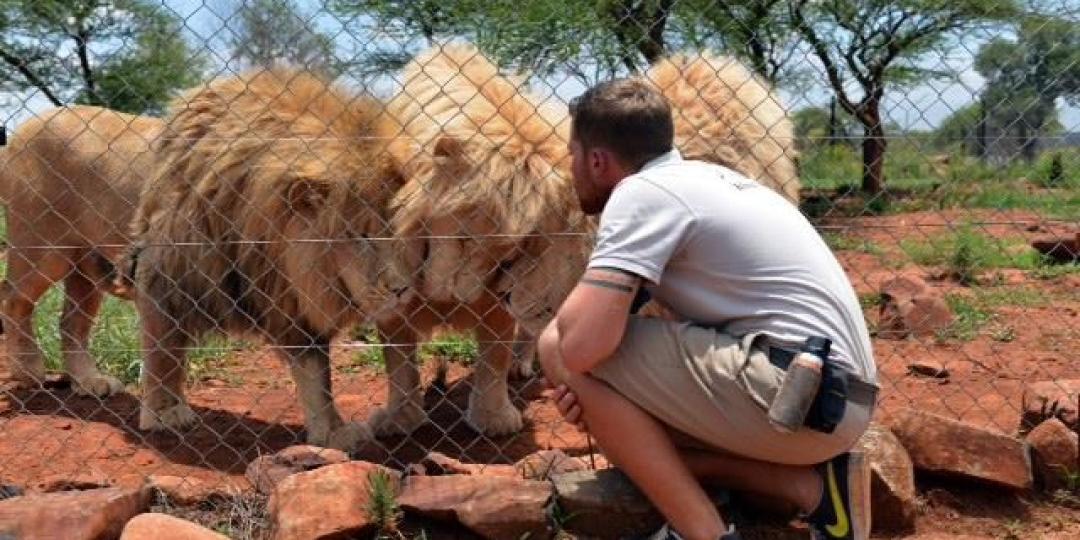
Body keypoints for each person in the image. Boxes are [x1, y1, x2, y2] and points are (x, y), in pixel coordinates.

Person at [537, 77, 879, 540]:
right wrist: (600, 404)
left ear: (597, 160)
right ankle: (812, 488)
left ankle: (704, 534)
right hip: (831, 402)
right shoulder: (711, 180)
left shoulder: (641, 194)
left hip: (795, 394)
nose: (571, 168)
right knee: (632, 432)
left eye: (573, 155)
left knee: (557, 346)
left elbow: (579, 348)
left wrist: (582, 380)